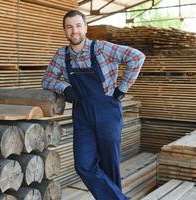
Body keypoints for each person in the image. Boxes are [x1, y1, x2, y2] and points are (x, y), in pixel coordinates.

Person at [41, 10, 145, 200]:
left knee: (109, 164)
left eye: (78, 26)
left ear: (86, 27)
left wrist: (122, 88)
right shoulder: (62, 55)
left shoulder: (102, 48)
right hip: (82, 115)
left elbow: (137, 57)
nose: (74, 31)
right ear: (64, 30)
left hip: (107, 112)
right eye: (69, 27)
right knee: (83, 164)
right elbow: (47, 79)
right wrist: (64, 87)